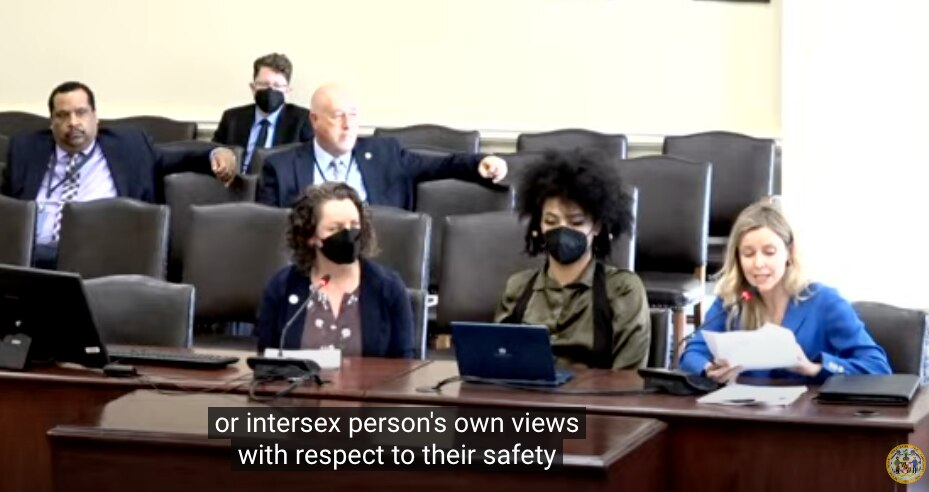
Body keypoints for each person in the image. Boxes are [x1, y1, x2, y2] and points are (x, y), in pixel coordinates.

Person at [1, 81, 237, 268]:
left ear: (96, 117)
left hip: (102, 257)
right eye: (62, 115)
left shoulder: (129, 147)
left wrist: (217, 152)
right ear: (52, 122)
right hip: (33, 258)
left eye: (81, 113)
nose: (73, 122)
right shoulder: (26, 149)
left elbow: (182, 156)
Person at [679, 201, 891, 383]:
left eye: (769, 252)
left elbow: (878, 369)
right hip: (748, 418)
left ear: (788, 253)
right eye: (748, 254)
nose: (758, 263)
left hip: (810, 421)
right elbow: (692, 355)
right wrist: (709, 368)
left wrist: (812, 368)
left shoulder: (825, 301)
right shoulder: (732, 301)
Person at [495, 150, 651, 370]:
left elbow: (629, 376)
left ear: (597, 226)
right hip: (527, 400)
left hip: (594, 402)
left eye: (576, 222)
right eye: (551, 221)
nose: (562, 230)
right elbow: (499, 362)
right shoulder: (518, 287)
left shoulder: (622, 289)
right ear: (538, 226)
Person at [258, 83, 507, 209]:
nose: (348, 125)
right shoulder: (280, 168)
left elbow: (441, 165)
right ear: (314, 120)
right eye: (337, 115)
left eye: (353, 115)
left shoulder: (384, 154)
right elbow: (269, 234)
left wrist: (480, 162)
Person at [257, 181, 414, 358]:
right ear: (311, 236)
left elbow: (404, 366)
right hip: (297, 385)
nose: (348, 235)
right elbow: (266, 359)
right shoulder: (281, 287)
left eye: (354, 225)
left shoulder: (388, 288)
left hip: (370, 386)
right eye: (335, 228)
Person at [212, 53, 312, 172]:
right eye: (264, 84)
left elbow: (307, 164)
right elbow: (214, 150)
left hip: (279, 186)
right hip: (236, 184)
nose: (270, 90)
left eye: (277, 85)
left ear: (287, 90)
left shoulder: (303, 120)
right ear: (253, 87)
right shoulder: (232, 118)